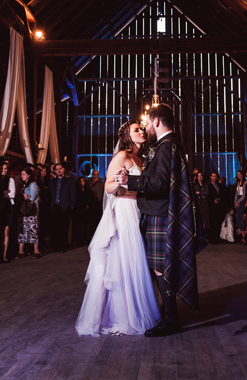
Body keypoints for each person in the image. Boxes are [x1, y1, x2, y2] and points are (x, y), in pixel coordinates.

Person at [117, 103, 203, 337]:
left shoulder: (166, 146)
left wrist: (130, 182)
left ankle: (171, 319)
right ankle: (168, 312)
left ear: (156, 122)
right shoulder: (168, 144)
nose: (147, 129)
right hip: (158, 213)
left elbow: (160, 183)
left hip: (159, 214)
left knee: (160, 270)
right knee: (159, 269)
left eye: (148, 124)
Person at [75, 121, 160, 336]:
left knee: (137, 258)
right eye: (136, 130)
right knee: (124, 258)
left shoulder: (142, 157)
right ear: (127, 137)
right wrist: (122, 181)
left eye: (142, 128)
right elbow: (108, 187)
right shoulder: (122, 156)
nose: (141, 131)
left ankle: (138, 308)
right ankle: (123, 315)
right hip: (124, 210)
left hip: (139, 209)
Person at [50, 163, 76, 253]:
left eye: (60, 168)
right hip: (55, 207)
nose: (58, 170)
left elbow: (73, 194)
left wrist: (71, 206)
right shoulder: (52, 181)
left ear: (63, 169)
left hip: (65, 208)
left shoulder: (69, 181)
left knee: (64, 228)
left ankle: (62, 246)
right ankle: (56, 246)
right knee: (55, 228)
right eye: (56, 169)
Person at [18, 168, 40, 259]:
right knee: (22, 229)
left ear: (28, 175)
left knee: (33, 230)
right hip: (24, 211)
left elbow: (32, 198)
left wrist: (23, 194)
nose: (21, 176)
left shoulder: (33, 184)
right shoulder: (24, 184)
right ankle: (21, 251)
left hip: (32, 211)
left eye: (23, 174)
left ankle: (36, 250)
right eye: (21, 174)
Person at [0, 162, 16, 262]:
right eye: (2, 168)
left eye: (5, 168)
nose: (4, 170)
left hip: (7, 206)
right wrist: (5, 192)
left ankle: (4, 255)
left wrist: (4, 193)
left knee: (6, 232)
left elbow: (12, 194)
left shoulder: (11, 180)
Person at [73, 177, 95, 245]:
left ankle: (87, 238)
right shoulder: (76, 190)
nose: (82, 182)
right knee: (80, 225)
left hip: (87, 210)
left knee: (87, 224)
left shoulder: (87, 190)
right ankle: (80, 239)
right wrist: (82, 206)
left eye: (83, 181)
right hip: (79, 210)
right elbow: (77, 200)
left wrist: (88, 205)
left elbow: (90, 198)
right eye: (80, 181)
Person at [207, 172, 224, 244]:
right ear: (211, 177)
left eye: (216, 176)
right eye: (213, 176)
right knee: (212, 221)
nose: (214, 178)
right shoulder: (208, 186)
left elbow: (223, 194)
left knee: (218, 221)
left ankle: (217, 237)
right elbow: (206, 196)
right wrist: (212, 201)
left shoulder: (220, 186)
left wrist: (220, 201)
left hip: (218, 206)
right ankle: (212, 237)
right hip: (211, 206)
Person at [233, 170, 246, 237]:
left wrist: (238, 201)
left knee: (242, 216)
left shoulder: (245, 182)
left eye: (240, 174)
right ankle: (240, 233)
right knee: (238, 216)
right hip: (238, 200)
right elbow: (236, 193)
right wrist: (235, 202)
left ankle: (243, 233)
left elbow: (244, 194)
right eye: (238, 174)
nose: (239, 175)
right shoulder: (238, 182)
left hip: (242, 200)